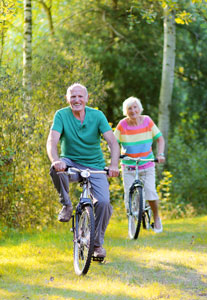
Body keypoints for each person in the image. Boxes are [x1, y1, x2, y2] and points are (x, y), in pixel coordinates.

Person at [47, 83, 120, 258]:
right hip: (70, 163)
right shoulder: (61, 115)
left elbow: (113, 143)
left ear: (87, 98)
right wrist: (56, 160)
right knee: (55, 170)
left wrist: (114, 165)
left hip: (95, 166)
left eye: (80, 96)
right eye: (73, 96)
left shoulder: (98, 116)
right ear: (68, 99)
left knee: (103, 203)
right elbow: (52, 141)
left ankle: (96, 246)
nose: (77, 100)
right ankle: (66, 204)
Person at [114, 96, 165, 233]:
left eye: (135, 107)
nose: (133, 110)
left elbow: (160, 139)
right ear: (126, 111)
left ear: (139, 108)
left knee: (150, 192)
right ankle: (131, 219)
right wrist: (116, 155)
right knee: (128, 195)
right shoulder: (122, 125)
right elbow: (113, 143)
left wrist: (160, 155)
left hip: (147, 164)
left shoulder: (147, 121)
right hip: (128, 165)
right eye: (129, 108)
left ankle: (156, 217)